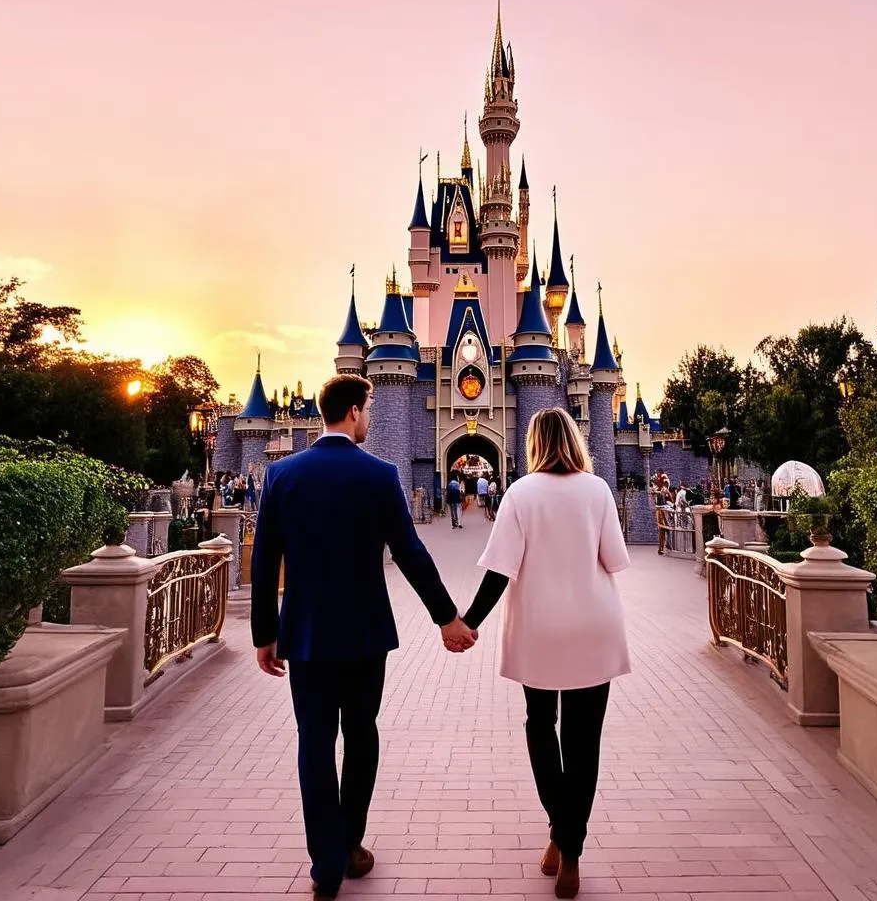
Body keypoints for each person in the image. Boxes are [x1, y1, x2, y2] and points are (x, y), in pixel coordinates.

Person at [250, 374, 477, 898]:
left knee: (314, 741)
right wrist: (448, 618)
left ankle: (325, 863)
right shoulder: (379, 475)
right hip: (364, 635)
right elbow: (410, 553)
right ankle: (350, 843)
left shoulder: (282, 475)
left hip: (304, 635)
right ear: (352, 412)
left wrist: (266, 632)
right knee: (361, 733)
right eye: (369, 409)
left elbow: (264, 562)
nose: (371, 419)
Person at [461, 407, 630, 900]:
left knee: (541, 726)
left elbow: (499, 572)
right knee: (584, 742)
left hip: (539, 630)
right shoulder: (598, 490)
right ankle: (569, 847)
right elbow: (615, 560)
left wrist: (468, 623)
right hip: (593, 629)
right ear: (575, 440)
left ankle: (561, 832)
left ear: (534, 442)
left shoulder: (520, 493)